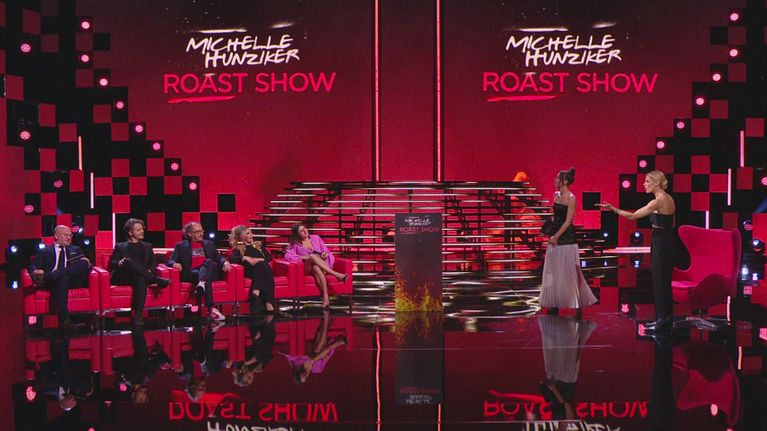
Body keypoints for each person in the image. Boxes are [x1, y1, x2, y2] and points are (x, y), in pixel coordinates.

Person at [599, 170, 676, 333]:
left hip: (660, 242)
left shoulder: (658, 201)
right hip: (666, 240)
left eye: (647, 181)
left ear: (656, 183)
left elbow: (633, 216)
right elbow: (672, 223)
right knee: (663, 282)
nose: (644, 184)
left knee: (660, 282)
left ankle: (662, 322)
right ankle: (665, 320)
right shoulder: (669, 198)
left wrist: (614, 209)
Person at [539, 168, 598, 315]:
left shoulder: (572, 198)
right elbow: (556, 217)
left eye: (557, 178)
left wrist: (556, 236)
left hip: (566, 237)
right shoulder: (555, 195)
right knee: (554, 271)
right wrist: (549, 230)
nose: (555, 181)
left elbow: (568, 221)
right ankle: (554, 303)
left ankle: (577, 303)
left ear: (565, 181)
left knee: (570, 271)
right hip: (554, 234)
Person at [108, 218, 171, 326]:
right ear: (130, 232)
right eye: (138, 230)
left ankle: (138, 314)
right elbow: (112, 263)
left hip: (141, 277)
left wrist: (149, 270)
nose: (142, 231)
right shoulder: (120, 246)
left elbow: (153, 263)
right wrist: (119, 263)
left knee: (141, 277)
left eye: (142, 229)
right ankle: (155, 279)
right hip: (124, 277)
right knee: (128, 261)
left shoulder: (147, 246)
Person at [28, 225, 92, 330]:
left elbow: (82, 268)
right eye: (66, 235)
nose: (69, 238)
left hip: (72, 281)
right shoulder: (45, 251)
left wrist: (51, 274)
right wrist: (35, 271)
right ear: (56, 236)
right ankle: (65, 322)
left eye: (70, 235)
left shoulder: (76, 249)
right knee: (63, 278)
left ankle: (53, 274)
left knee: (84, 263)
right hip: (53, 283)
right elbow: (32, 266)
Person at [166, 222, 231, 321]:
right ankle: (211, 309)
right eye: (197, 232)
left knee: (209, 262)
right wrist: (174, 264)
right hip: (192, 273)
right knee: (202, 273)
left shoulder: (209, 244)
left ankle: (201, 281)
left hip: (209, 272)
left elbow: (219, 258)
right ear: (189, 234)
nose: (201, 234)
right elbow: (170, 260)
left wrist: (225, 262)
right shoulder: (181, 245)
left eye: (202, 231)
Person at [284, 223, 347, 309]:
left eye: (304, 228)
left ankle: (326, 298)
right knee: (312, 257)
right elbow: (287, 256)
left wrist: (324, 255)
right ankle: (336, 274)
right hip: (306, 268)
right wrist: (304, 257)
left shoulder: (316, 238)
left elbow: (327, 251)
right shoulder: (295, 244)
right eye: (301, 231)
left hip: (320, 266)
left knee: (316, 268)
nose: (304, 231)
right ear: (297, 235)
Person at [282, 310, 348, 384]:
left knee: (317, 350)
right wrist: (320, 358)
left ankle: (338, 341)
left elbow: (297, 354)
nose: (305, 375)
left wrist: (311, 359)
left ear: (297, 373)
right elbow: (325, 357)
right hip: (322, 345)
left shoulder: (295, 364)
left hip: (309, 345)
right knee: (318, 348)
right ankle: (327, 316)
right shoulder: (317, 370)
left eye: (303, 375)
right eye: (306, 377)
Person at [229, 225, 275, 313]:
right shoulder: (239, 248)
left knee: (261, 264)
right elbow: (232, 259)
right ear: (241, 236)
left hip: (262, 270)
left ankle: (256, 289)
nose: (251, 235)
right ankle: (269, 303)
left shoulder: (258, 245)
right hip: (251, 271)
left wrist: (257, 260)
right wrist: (245, 258)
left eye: (251, 233)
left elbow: (269, 257)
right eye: (248, 233)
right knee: (262, 266)